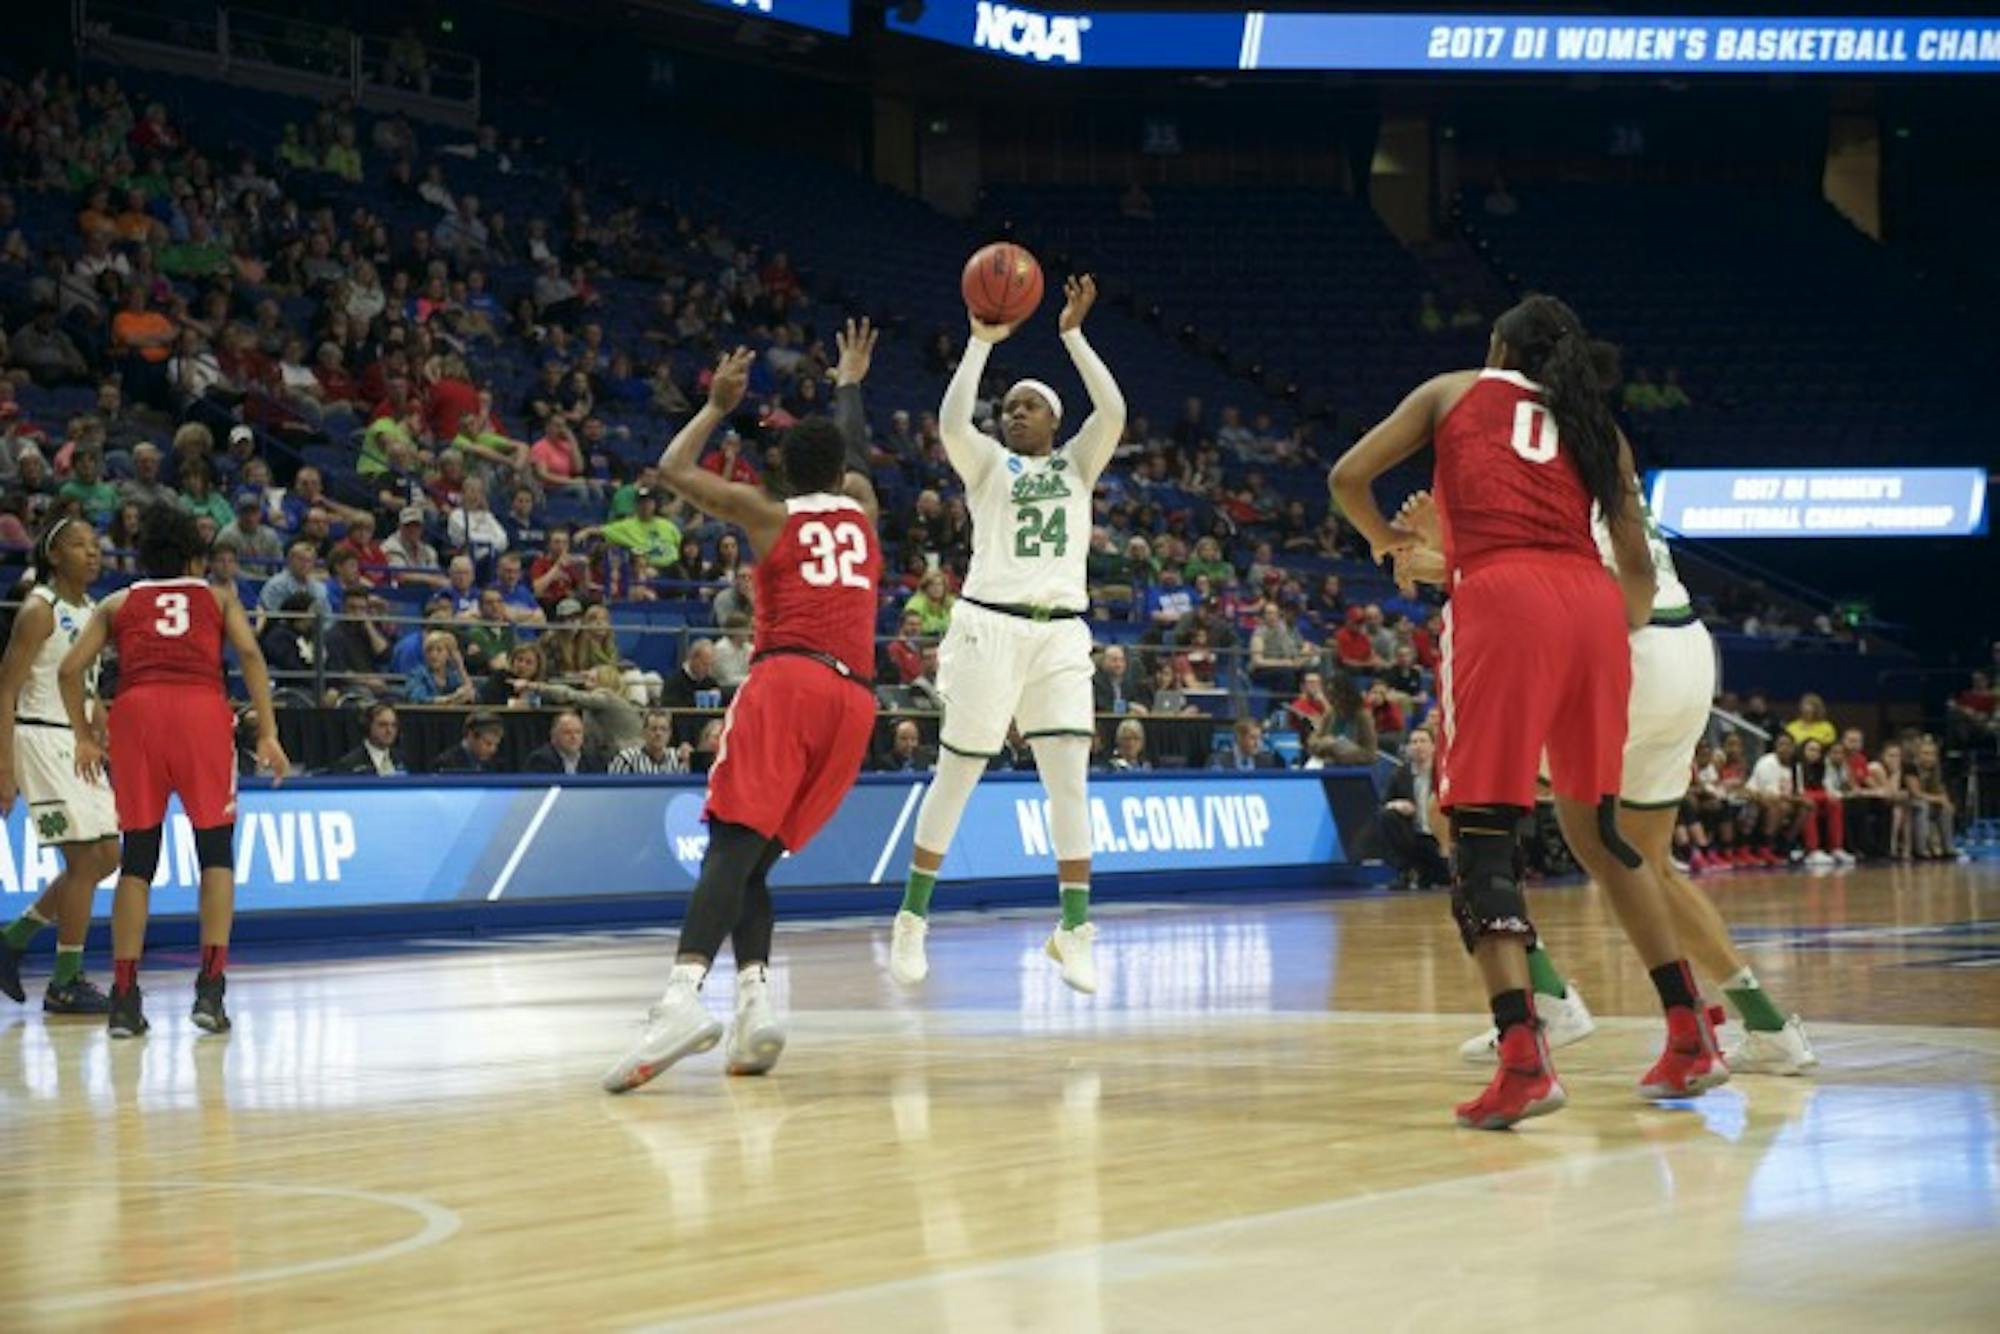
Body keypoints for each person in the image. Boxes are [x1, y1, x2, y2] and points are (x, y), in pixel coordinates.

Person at [1329, 292, 1720, 1130]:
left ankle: (1524, 1057)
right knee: (1602, 833)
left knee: (1479, 836)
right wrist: (1599, 619)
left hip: (1505, 603)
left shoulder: (1452, 390)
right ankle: (1692, 1034)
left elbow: (1347, 477)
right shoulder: (1595, 426)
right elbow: (1640, 574)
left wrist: (1392, 545)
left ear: (1500, 345)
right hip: (1595, 607)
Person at [1401, 480, 1818, 1076]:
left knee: (1456, 809)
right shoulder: (1599, 456)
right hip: (1687, 654)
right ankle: (1769, 1026)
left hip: (1622, 653)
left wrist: (1443, 558)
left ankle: (1547, 1000)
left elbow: (1533, 582)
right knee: (1649, 865)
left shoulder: (1527, 460)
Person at [603, 320, 883, 1094]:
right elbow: (853, 454)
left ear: (786, 473)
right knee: (753, 864)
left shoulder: (770, 515)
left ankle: (679, 999)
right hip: (855, 705)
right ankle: (756, 1006)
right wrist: (849, 384)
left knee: (728, 847)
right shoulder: (862, 511)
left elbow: (670, 468)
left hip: (789, 683)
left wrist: (718, 406)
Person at [889, 276, 1126, 995]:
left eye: (1026, 406)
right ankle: (911, 918)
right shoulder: (989, 463)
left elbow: (1113, 408)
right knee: (957, 774)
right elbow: (954, 422)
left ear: (1053, 419)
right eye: (1009, 406)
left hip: (1059, 636)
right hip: (989, 626)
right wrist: (978, 343)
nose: (1012, 413)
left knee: (1070, 787)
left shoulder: (1078, 463)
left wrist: (1073, 336)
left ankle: (1074, 929)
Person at [58, 504, 289, 1038]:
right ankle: (209, 993)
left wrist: (85, 737)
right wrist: (269, 732)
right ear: (194, 558)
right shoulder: (216, 596)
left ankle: (123, 999)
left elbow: (71, 670)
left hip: (136, 715)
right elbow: (252, 657)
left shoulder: (118, 601)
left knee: (138, 858)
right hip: (199, 714)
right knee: (215, 851)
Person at [0, 518, 122, 1012]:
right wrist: (3, 768)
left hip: (78, 743)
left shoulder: (95, 611)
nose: (92, 553)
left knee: (108, 855)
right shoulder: (38, 609)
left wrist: (98, 716)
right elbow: (5, 687)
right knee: (82, 860)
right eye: (78, 545)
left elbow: (84, 683)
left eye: (96, 546)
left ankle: (13, 939)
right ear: (54, 556)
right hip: (37, 737)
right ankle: (65, 981)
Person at [1379, 726, 1449, 890]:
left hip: (1439, 839)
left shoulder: (1445, 773)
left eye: (1423, 741)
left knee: (1443, 877)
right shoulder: (1399, 774)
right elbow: (1383, 804)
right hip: (1413, 835)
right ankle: (1405, 871)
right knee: (1387, 816)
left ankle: (1432, 871)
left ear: (1433, 746)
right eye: (1414, 742)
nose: (1418, 746)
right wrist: (1396, 804)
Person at [330, 703, 408, 776]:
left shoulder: (402, 759)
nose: (389, 731)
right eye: (383, 725)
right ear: (367, 726)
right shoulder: (349, 764)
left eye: (394, 725)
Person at [523, 710, 603, 775]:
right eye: (567, 733)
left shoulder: (592, 759)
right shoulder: (540, 760)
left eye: (578, 732)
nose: (574, 737)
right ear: (554, 736)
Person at [611, 709, 690, 775]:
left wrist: (690, 762)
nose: (658, 734)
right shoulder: (626, 759)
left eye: (663, 729)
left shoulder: (679, 758)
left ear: (670, 734)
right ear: (643, 733)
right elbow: (613, 789)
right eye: (653, 729)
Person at [432, 712, 507, 774]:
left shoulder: (497, 763)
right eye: (488, 744)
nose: (493, 750)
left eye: (496, 744)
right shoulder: (446, 763)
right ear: (471, 735)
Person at [1213, 717, 1282, 770]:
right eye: (1253, 738)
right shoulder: (1218, 761)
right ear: (1239, 738)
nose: (1258, 743)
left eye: (1260, 738)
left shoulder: (1267, 761)